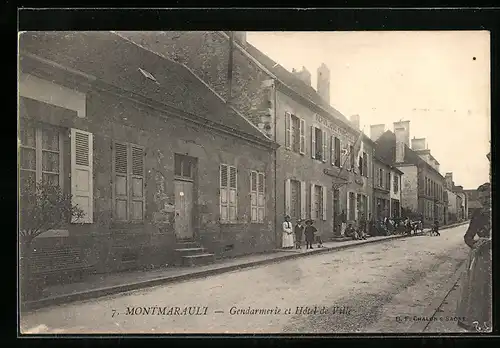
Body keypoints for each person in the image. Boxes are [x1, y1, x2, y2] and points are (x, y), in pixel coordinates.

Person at [456, 182, 492, 332]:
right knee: (480, 291)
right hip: (483, 258)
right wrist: (475, 244)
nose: (484, 201)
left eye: (488, 197)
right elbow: (468, 236)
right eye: (481, 198)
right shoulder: (478, 213)